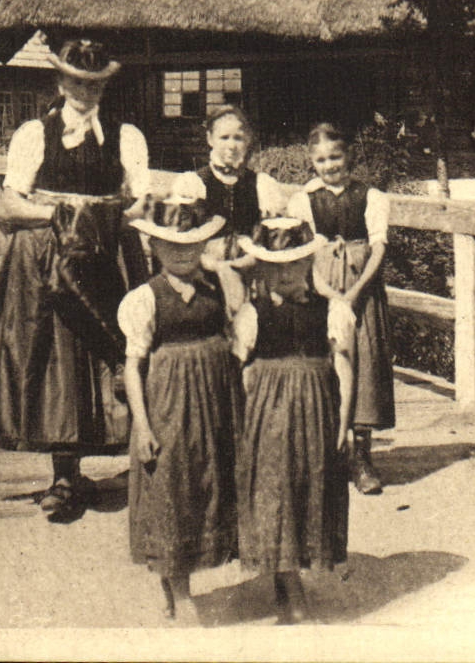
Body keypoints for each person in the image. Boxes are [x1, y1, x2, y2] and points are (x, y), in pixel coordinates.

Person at [0, 38, 150, 522]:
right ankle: (64, 476)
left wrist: (97, 219)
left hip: (108, 255)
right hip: (45, 260)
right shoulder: (34, 133)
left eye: (94, 83)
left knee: (109, 358)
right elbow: (9, 204)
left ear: (104, 86)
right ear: (60, 81)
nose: (84, 91)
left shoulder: (125, 136)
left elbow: (141, 204)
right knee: (56, 363)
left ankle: (137, 463)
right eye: (75, 81)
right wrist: (59, 217)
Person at [119, 176, 243, 623]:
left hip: (214, 403)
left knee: (208, 487)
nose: (184, 255)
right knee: (170, 490)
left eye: (192, 246)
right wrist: (144, 427)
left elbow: (235, 334)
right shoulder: (145, 299)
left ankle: (184, 581)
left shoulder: (215, 290)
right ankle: (179, 590)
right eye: (172, 247)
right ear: (153, 247)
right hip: (169, 405)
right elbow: (133, 366)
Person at [222, 217, 353, 625]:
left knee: (309, 483)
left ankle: (292, 568)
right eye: (272, 266)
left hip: (316, 406)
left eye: (292, 264)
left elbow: (344, 367)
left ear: (308, 264)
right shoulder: (252, 315)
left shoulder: (331, 310)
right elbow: (241, 373)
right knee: (275, 487)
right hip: (269, 410)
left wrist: (345, 422)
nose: (282, 274)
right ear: (259, 268)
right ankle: (288, 582)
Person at [286, 123, 393, 495]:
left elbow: (378, 248)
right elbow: (302, 256)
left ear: (349, 156)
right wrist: (331, 294)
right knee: (327, 364)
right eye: (321, 159)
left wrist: (354, 293)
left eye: (336, 156)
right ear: (311, 162)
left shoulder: (371, 196)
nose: (329, 165)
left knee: (363, 363)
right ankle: (330, 453)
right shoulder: (304, 200)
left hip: (362, 287)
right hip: (323, 286)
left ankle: (362, 458)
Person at [195, 105, 289, 260]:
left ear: (247, 140)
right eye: (224, 137)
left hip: (250, 266)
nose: (232, 146)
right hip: (206, 268)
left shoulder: (261, 184)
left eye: (238, 138)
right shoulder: (196, 183)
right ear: (210, 139)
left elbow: (273, 240)